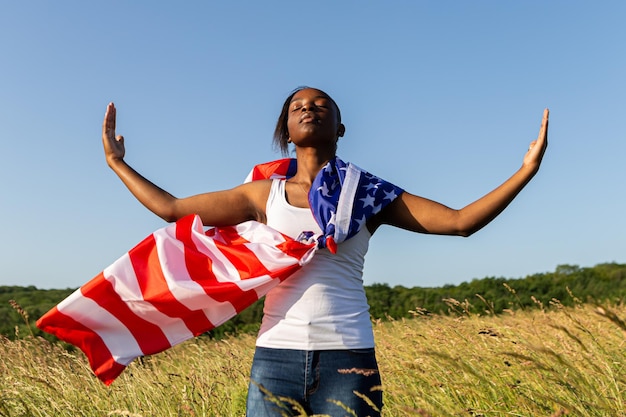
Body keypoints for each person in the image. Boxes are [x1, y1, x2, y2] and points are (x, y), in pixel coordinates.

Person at [102, 86, 548, 416]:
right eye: (297, 107)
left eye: (320, 106)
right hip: (275, 356)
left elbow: (459, 222)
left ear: (341, 127)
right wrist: (119, 164)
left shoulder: (368, 194)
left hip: (349, 357)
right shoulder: (262, 195)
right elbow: (172, 209)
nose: (308, 110)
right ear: (287, 131)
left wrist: (524, 171)